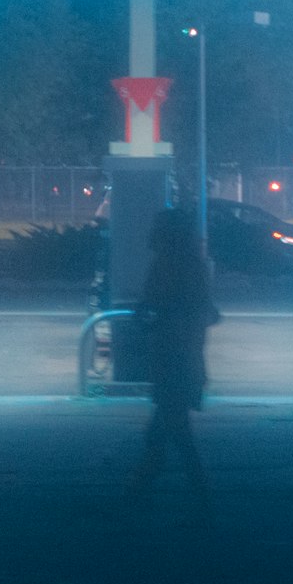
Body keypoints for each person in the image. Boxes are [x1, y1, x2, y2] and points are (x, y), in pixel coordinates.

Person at [127, 209, 220, 505]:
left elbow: (155, 305)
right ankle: (145, 490)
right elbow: (206, 312)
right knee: (168, 429)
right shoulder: (194, 266)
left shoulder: (167, 266)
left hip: (172, 358)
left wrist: (148, 316)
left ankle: (196, 496)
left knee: (173, 431)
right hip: (186, 358)